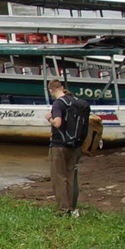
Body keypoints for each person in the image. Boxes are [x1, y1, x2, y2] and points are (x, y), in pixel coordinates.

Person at [47, 81, 91, 215]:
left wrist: (49, 118)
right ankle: (71, 206)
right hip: (74, 145)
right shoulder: (76, 102)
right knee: (71, 176)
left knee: (59, 177)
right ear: (62, 88)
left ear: (51, 90)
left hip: (58, 145)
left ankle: (63, 208)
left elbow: (58, 123)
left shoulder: (58, 104)